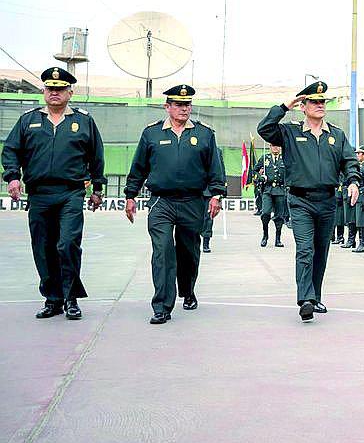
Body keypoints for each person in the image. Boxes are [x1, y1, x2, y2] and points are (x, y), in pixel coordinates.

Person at [3, 67, 104, 320]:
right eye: (50, 88)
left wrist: (97, 188)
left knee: (68, 244)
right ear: (44, 91)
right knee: (43, 247)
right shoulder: (28, 120)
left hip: (71, 193)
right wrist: (13, 176)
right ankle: (53, 298)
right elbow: (11, 150)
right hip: (39, 194)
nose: (54, 92)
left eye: (60, 89)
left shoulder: (83, 121)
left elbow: (96, 156)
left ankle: (70, 298)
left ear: (70, 92)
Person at [257, 81, 360, 322]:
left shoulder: (336, 135)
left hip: (327, 200)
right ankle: (305, 299)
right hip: (300, 200)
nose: (320, 105)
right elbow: (265, 129)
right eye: (314, 101)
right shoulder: (290, 132)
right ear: (303, 106)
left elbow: (349, 161)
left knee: (321, 251)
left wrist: (353, 181)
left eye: (322, 101)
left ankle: (315, 297)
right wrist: (285, 106)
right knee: (305, 249)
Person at [124, 85, 225, 324]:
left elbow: (215, 167)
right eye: (179, 104)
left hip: (192, 201)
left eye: (187, 104)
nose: (184, 108)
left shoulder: (204, 134)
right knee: (162, 250)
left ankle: (187, 290)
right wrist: (130, 195)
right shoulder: (151, 133)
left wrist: (216, 195)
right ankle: (161, 306)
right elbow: (139, 167)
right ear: (167, 107)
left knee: (188, 252)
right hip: (161, 202)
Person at [255, 144, 287, 248]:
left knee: (279, 216)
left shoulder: (285, 158)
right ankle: (265, 235)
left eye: (277, 146)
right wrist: (260, 177)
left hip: (280, 190)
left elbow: (291, 171)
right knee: (265, 213)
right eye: (273, 146)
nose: (275, 148)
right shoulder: (265, 158)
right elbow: (254, 170)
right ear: (270, 147)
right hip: (268, 190)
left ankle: (278, 239)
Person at [201, 147, 226, 253]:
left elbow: (221, 171)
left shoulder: (217, 151)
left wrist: (221, 192)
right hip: (193, 189)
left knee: (208, 217)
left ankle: (206, 242)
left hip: (209, 190)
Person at [353, 146, 364, 253]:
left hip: (363, 194)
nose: (357, 155)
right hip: (359, 194)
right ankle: (361, 242)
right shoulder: (360, 166)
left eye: (359, 153)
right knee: (359, 220)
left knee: (363, 221)